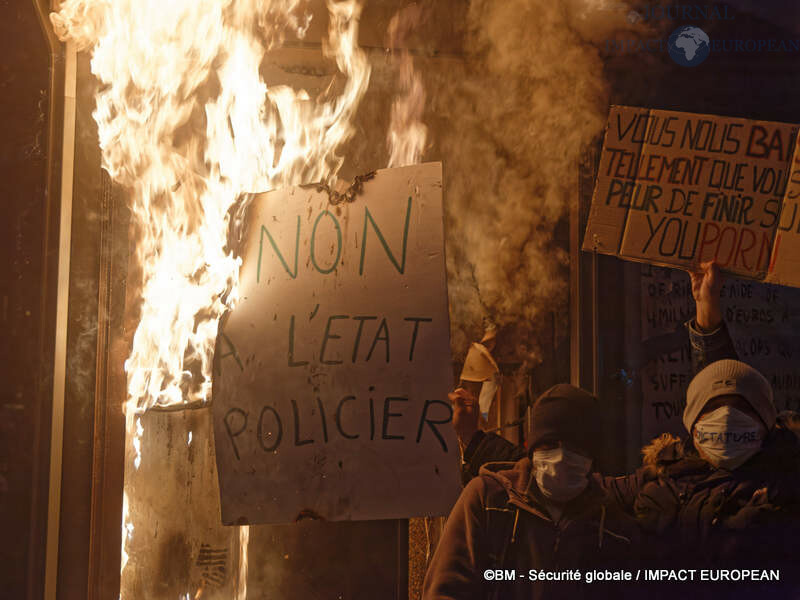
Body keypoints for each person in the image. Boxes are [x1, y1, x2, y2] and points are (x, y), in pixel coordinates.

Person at [423, 384, 639, 600]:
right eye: (550, 445)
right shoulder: (488, 501)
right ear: (533, 448)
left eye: (575, 446)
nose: (561, 456)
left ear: (592, 455)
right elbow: (445, 590)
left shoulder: (610, 527)